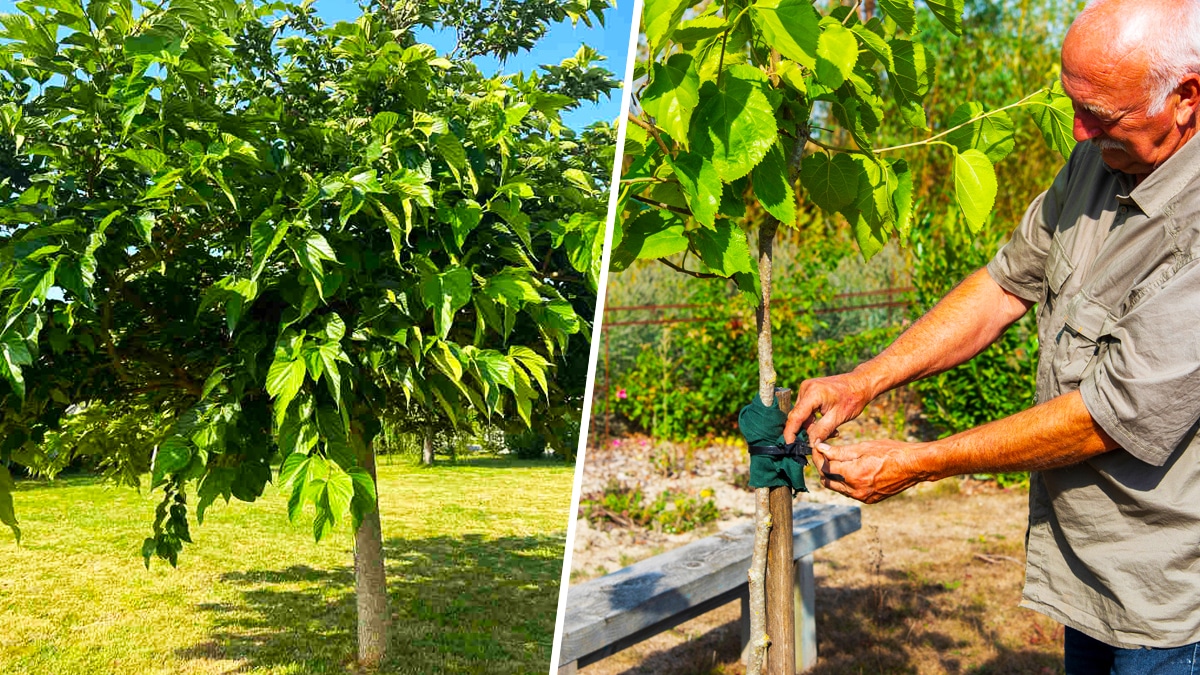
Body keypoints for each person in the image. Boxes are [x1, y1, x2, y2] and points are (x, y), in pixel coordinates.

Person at [782, 0, 1200, 672]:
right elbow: (1004, 286)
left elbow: (1107, 417)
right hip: (1089, 576)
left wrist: (921, 461)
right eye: (1073, 103)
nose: (1078, 131)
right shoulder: (1100, 156)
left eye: (1101, 114)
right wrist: (863, 381)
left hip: (1169, 601)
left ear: (1185, 98)